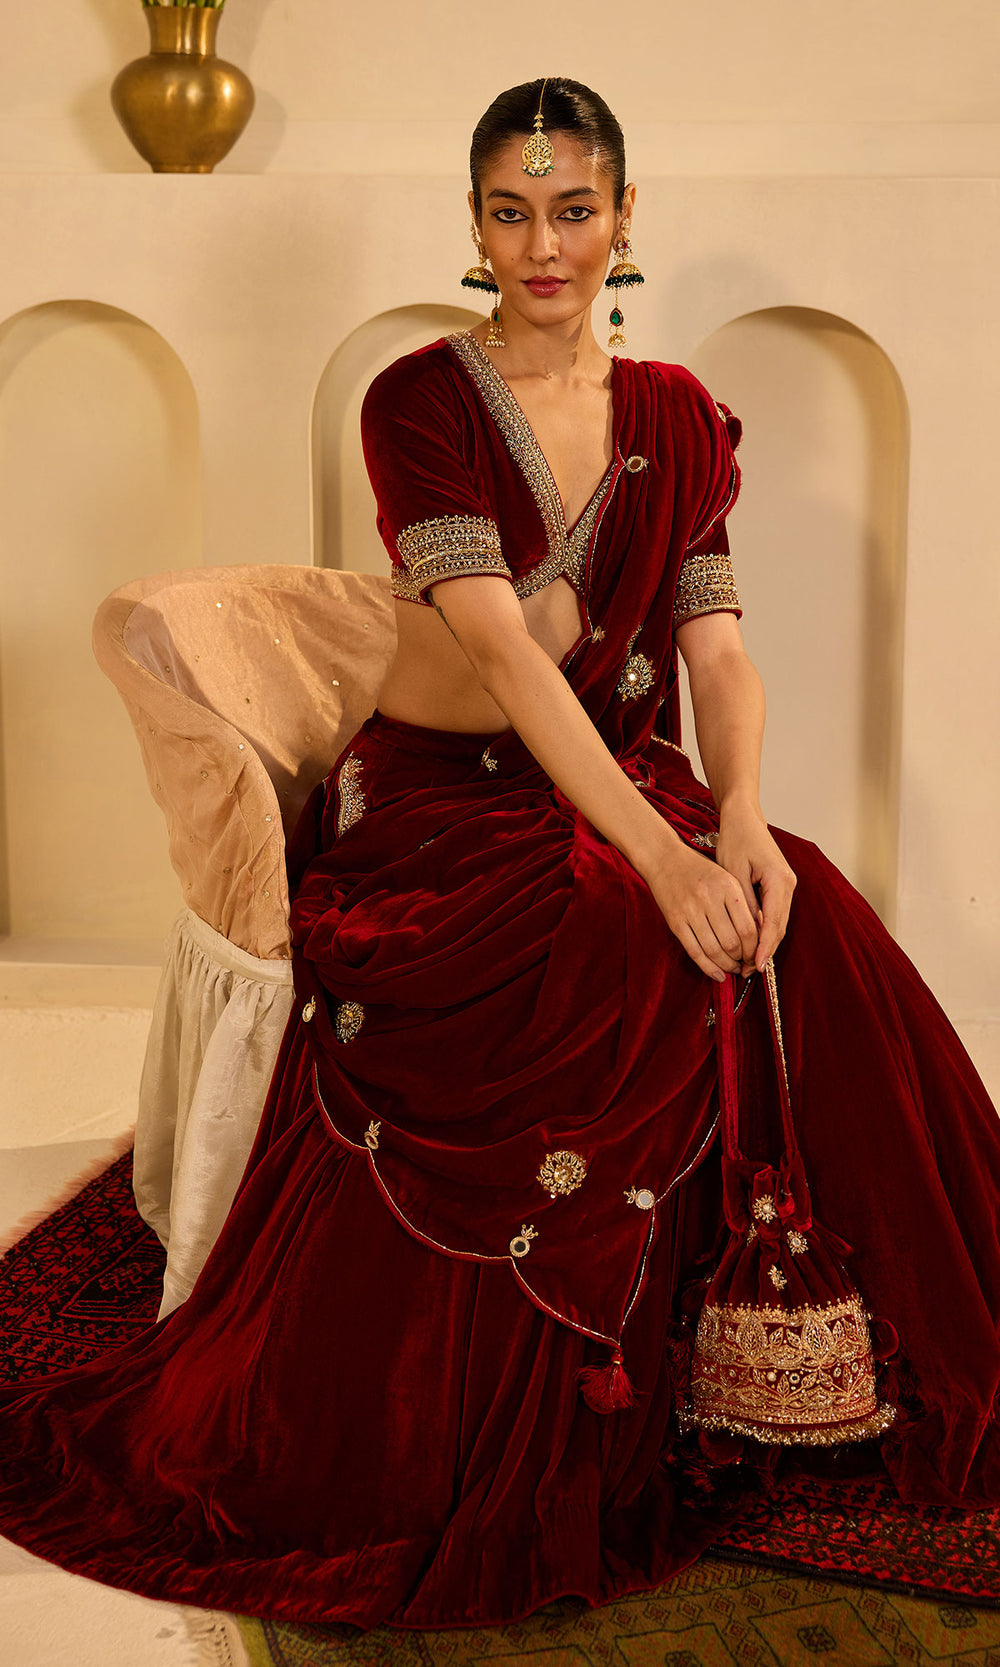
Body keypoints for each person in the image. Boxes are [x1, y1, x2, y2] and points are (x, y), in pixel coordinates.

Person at [1, 76, 999, 1629]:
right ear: (473, 225)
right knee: (623, 930)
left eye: (575, 210)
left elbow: (717, 649)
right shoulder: (419, 399)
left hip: (624, 776)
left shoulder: (680, 415)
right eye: (512, 213)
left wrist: (738, 818)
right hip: (439, 800)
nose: (545, 245)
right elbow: (507, 656)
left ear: (624, 217)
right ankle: (567, 1410)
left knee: (813, 923)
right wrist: (661, 862)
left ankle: (773, 1373)